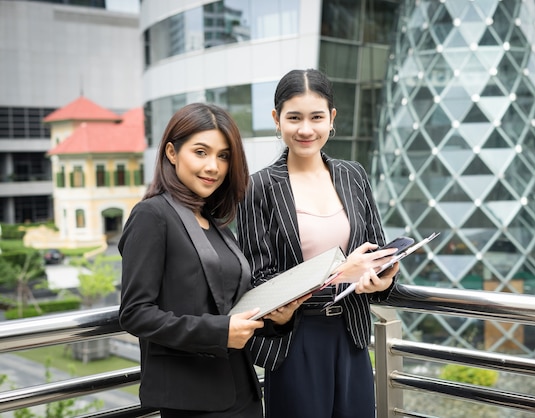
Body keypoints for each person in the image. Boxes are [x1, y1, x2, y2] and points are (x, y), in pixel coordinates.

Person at [118, 102, 302, 418]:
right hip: (193, 399)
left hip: (241, 389)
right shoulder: (152, 216)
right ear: (172, 153)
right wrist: (219, 332)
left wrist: (277, 319)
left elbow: (227, 308)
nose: (213, 166)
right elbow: (135, 314)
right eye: (200, 152)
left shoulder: (214, 222)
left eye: (223, 156)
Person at [236, 69, 400, 418]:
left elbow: (375, 251)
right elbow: (258, 281)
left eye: (316, 117)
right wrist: (342, 271)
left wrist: (382, 277)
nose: (306, 129)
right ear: (277, 120)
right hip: (296, 340)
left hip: (352, 335)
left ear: (332, 119)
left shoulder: (353, 175)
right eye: (294, 117)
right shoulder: (258, 187)